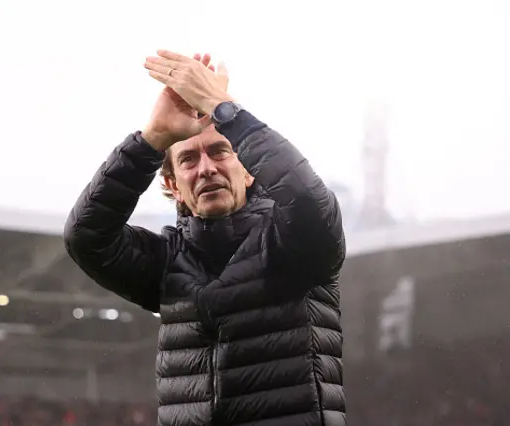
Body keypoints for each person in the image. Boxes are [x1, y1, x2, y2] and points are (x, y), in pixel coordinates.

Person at [64, 50, 346, 426]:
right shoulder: (167, 261)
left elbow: (311, 202)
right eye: (188, 160)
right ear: (173, 185)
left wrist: (223, 108)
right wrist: (152, 139)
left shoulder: (292, 243)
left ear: (248, 170)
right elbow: (86, 237)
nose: (207, 169)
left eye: (219, 152)